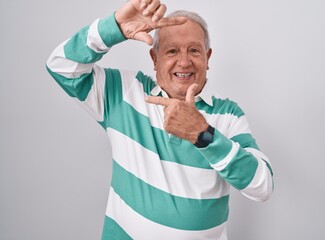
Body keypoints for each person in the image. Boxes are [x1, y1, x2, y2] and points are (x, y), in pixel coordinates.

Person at [46, 0, 274, 239]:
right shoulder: (125, 92)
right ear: (154, 58)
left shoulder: (228, 114)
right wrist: (112, 28)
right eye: (172, 51)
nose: (184, 62)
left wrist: (203, 135)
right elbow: (60, 66)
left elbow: (262, 186)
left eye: (194, 50)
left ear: (208, 57)